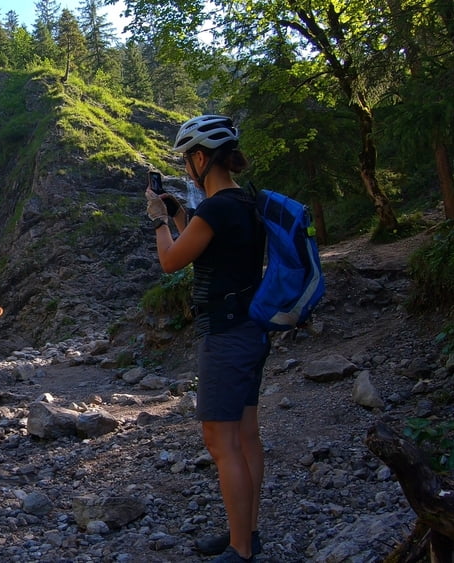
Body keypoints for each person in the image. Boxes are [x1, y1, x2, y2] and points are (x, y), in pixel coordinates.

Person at [144, 115, 270, 563]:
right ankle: (248, 535)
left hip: (224, 334)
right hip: (250, 329)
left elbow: (172, 261)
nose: (186, 165)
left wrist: (160, 220)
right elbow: (206, 237)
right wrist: (178, 210)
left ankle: (239, 551)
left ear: (199, 158)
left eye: (186, 158)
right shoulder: (245, 203)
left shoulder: (218, 210)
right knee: (247, 436)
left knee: (222, 441)